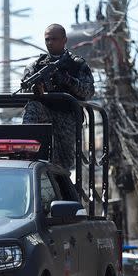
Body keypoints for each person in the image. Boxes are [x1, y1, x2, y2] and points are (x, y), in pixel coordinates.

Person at [21, 23, 95, 169]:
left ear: (64, 40)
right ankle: (26, 151)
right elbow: (24, 91)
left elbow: (88, 91)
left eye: (54, 39)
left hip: (68, 116)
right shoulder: (36, 66)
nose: (50, 43)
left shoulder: (77, 65)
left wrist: (68, 80)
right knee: (32, 107)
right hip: (45, 113)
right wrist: (35, 89)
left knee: (64, 164)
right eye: (47, 39)